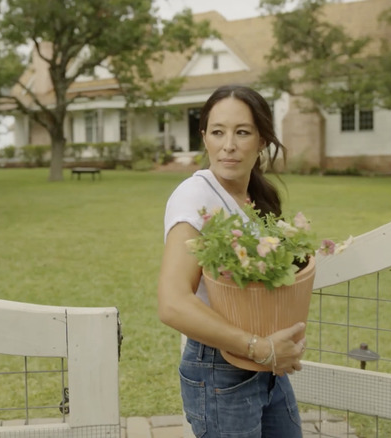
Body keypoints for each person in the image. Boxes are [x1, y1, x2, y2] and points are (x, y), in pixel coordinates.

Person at [157, 85, 306, 437]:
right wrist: (259, 348)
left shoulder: (256, 195)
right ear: (204, 137)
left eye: (242, 132)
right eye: (218, 132)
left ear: (262, 139)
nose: (229, 145)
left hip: (265, 365)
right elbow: (173, 304)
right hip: (220, 367)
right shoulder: (195, 198)